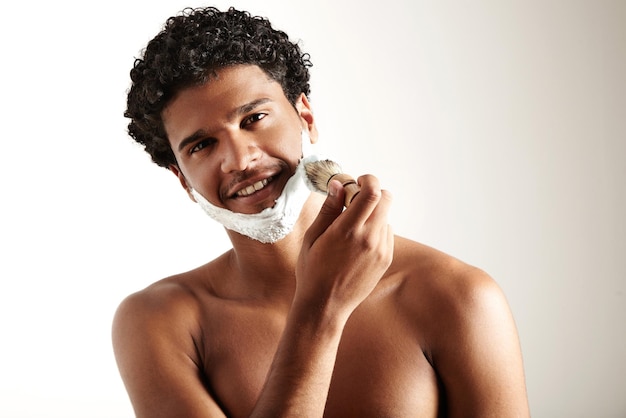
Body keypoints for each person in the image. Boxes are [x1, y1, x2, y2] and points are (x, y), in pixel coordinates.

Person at [112, 6, 530, 417]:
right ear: (183, 179)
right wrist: (321, 308)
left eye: (254, 118)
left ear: (305, 117)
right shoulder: (159, 322)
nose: (239, 159)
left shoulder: (459, 297)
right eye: (202, 145)